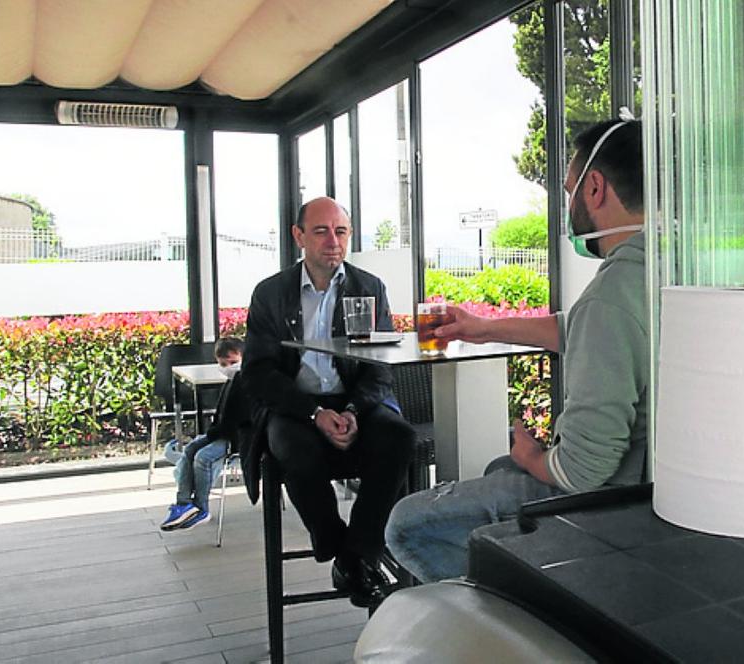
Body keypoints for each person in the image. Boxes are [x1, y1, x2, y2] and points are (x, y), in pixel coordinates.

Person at [386, 118, 649, 583]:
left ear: (594, 188)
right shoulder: (662, 269)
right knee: (495, 467)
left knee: (406, 524)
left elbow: (583, 471)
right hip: (649, 488)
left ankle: (518, 617)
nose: (568, 204)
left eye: (569, 190)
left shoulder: (611, 295)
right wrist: (481, 328)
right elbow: (578, 331)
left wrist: (529, 454)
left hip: (615, 502)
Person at [240, 197, 417, 608]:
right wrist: (314, 413)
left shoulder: (369, 287)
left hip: (356, 400)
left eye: (341, 231)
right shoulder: (270, 294)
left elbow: (381, 367)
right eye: (321, 231)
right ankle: (340, 548)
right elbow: (259, 373)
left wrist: (353, 411)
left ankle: (358, 553)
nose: (333, 241)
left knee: (399, 438)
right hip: (294, 404)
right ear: (298, 236)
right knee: (294, 449)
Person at [159, 336, 250, 532]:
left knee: (203, 457)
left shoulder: (246, 383)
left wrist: (211, 435)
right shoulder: (230, 382)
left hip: (238, 438)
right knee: (190, 449)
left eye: (233, 362)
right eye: (223, 363)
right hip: (223, 433)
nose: (228, 367)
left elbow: (236, 421)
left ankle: (201, 508)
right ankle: (183, 503)